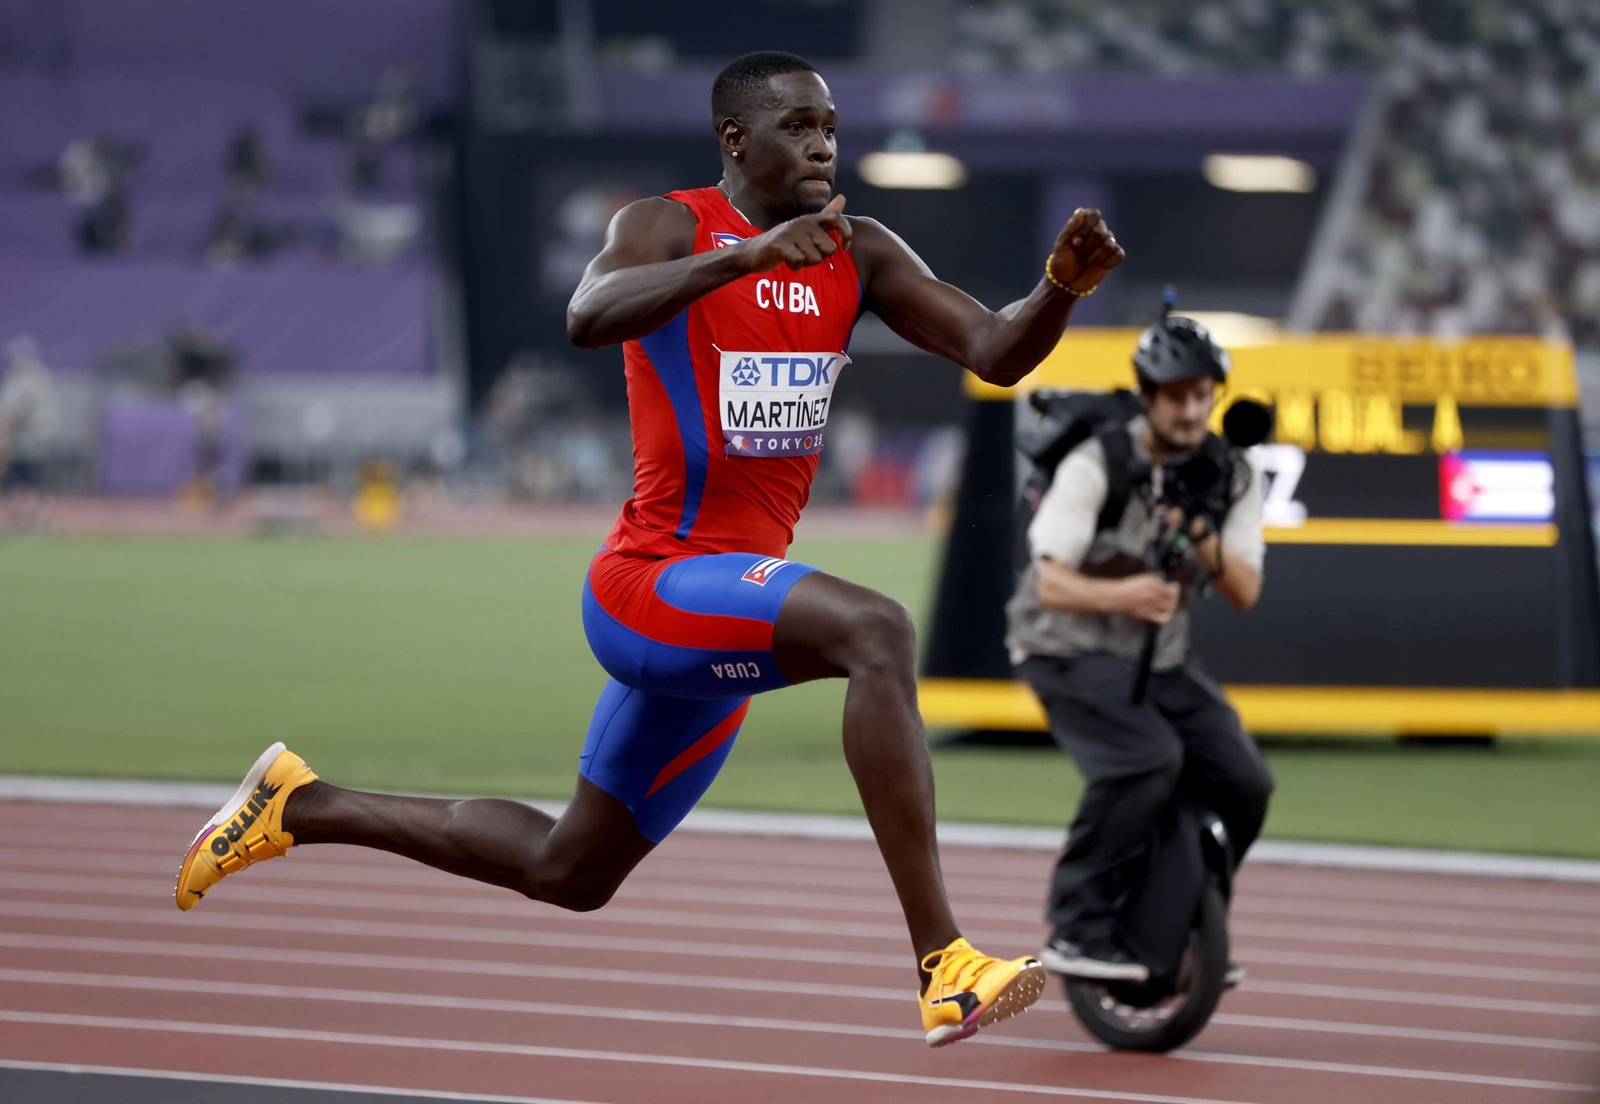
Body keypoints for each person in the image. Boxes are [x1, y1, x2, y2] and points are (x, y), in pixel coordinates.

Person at [175, 50, 1124, 1049]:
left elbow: (991, 349)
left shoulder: (861, 251)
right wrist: (746, 259)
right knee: (876, 632)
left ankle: (302, 805)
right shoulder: (666, 226)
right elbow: (586, 316)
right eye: (798, 125)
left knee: (568, 871)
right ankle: (945, 965)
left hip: (721, 608)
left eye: (830, 126)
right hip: (652, 583)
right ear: (735, 139)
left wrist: (1058, 290)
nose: (822, 143)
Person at [1005, 314, 1273, 983]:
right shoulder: (1098, 461)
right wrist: (1123, 596)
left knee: (1245, 782)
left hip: (1161, 657)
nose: (1190, 408)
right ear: (1148, 396)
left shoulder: (1233, 475)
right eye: (1175, 394)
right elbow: (1049, 582)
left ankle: (1175, 918)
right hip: (1061, 645)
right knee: (1146, 759)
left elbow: (1244, 592)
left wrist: (1199, 533)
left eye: (1201, 394)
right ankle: (1077, 924)